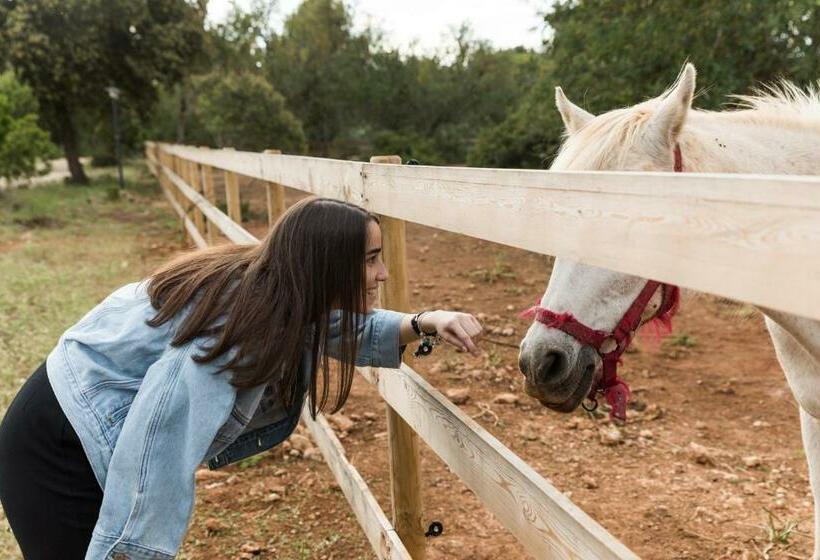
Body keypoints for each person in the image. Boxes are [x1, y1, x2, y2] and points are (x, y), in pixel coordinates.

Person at [0, 197, 483, 560]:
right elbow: (161, 444)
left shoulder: (282, 289)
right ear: (326, 265)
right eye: (370, 259)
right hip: (54, 448)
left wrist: (421, 322)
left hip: (65, 417)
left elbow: (327, 326)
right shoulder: (241, 329)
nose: (382, 273)